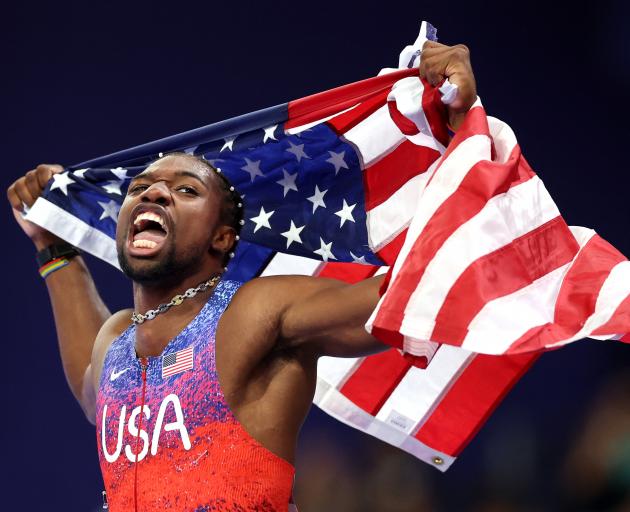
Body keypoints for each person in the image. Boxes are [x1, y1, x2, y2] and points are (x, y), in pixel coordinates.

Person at [6, 40, 476, 511]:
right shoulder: (117, 339)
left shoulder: (256, 311)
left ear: (222, 238)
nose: (155, 195)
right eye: (141, 187)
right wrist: (55, 249)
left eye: (185, 189)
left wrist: (460, 135)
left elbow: (403, 296)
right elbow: (94, 389)